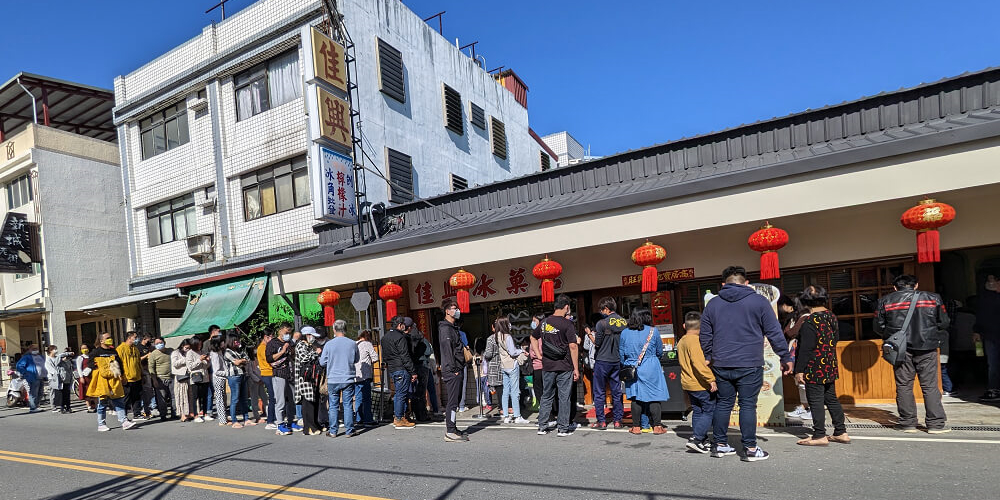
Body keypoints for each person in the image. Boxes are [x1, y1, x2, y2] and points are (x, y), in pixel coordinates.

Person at [701, 266, 793, 462]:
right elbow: (774, 331)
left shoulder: (713, 304)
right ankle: (750, 448)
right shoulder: (759, 301)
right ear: (747, 283)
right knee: (748, 405)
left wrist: (708, 355)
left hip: (721, 362)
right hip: (749, 363)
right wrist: (785, 356)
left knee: (723, 404)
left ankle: (720, 445)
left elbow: (705, 335)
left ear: (723, 284)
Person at [875, 274, 951, 433]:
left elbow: (878, 327)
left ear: (895, 287)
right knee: (930, 386)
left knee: (904, 385)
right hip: (927, 346)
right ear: (916, 285)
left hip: (899, 349)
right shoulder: (933, 298)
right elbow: (944, 322)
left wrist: (893, 336)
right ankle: (935, 424)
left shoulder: (885, 301)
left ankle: (907, 423)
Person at [793, 285, 850, 446]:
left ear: (805, 301)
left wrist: (799, 370)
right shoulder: (831, 316)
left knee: (816, 400)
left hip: (814, 366)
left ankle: (819, 435)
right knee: (831, 398)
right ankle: (841, 432)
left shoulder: (810, 320)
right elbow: (835, 338)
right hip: (830, 363)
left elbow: (806, 348)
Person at [531, 294, 580, 437]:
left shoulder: (545, 322)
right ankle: (563, 428)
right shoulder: (567, 324)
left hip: (547, 365)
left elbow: (533, 337)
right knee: (564, 397)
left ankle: (542, 426)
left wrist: (539, 355)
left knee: (547, 395)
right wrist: (576, 368)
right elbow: (573, 347)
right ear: (566, 307)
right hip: (564, 365)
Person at [619, 307, 669, 435]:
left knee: (635, 397)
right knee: (654, 397)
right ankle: (657, 426)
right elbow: (659, 351)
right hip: (651, 366)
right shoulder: (653, 331)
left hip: (632, 367)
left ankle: (636, 427)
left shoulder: (625, 333)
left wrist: (628, 363)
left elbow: (621, 353)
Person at [678, 311, 716, 452]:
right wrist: (711, 379)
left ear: (685, 326)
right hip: (699, 383)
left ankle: (702, 439)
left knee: (698, 411)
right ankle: (697, 438)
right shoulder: (694, 341)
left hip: (688, 383)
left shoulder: (682, 340)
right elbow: (699, 363)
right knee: (709, 410)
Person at [589, 297, 627, 429]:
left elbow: (597, 343)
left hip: (602, 361)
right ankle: (618, 420)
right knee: (617, 391)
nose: (601, 312)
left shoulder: (601, 323)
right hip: (617, 360)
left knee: (599, 392)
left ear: (606, 308)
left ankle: (601, 421)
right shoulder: (623, 322)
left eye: (602, 309)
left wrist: (589, 334)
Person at [87, 333, 135, 431]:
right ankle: (101, 424)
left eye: (110, 338)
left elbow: (120, 364)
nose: (110, 339)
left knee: (119, 401)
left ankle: (124, 421)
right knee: (102, 403)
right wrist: (99, 366)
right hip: (103, 381)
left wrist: (122, 376)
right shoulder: (96, 352)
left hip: (115, 380)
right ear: (101, 341)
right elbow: (91, 365)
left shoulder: (113, 351)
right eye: (107, 338)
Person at [320, 319, 360, 438]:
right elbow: (356, 359)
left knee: (333, 405)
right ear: (345, 329)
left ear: (334, 330)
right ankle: (349, 430)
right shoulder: (352, 343)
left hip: (333, 378)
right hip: (347, 378)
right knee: (347, 405)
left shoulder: (329, 344)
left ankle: (333, 431)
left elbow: (322, 362)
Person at [439, 299, 470, 442]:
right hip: (452, 370)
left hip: (457, 367)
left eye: (457, 308)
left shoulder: (452, 327)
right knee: (452, 402)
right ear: (447, 311)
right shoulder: (445, 328)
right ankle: (450, 431)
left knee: (455, 401)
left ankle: (453, 427)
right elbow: (447, 351)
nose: (456, 310)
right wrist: (454, 369)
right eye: (453, 308)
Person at [486, 317, 528, 423]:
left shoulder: (497, 336)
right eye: (508, 323)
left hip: (503, 366)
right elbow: (513, 352)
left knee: (505, 391)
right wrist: (521, 351)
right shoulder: (507, 336)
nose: (510, 324)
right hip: (512, 365)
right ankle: (517, 416)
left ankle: (506, 416)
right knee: (515, 391)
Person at [779, 295, 812, 420]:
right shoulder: (796, 318)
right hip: (794, 351)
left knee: (804, 381)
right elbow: (787, 331)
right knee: (799, 382)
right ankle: (804, 406)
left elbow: (791, 332)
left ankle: (812, 408)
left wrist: (790, 325)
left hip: (800, 352)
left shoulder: (804, 317)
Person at [382, 316, 417, 429]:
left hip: (392, 368)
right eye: (403, 324)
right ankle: (399, 418)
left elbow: (385, 356)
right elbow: (404, 355)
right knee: (401, 394)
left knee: (398, 393)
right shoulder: (400, 337)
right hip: (401, 368)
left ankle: (399, 416)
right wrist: (412, 371)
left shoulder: (385, 337)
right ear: (400, 325)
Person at [266, 323, 297, 435]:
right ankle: (280, 424)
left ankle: (290, 421)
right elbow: (269, 358)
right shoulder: (272, 343)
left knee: (292, 399)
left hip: (290, 374)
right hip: (279, 374)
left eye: (289, 333)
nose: (287, 335)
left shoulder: (288, 343)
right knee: (280, 401)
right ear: (280, 331)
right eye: (285, 333)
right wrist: (282, 351)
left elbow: (292, 356)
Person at [294, 326, 324, 435]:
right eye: (312, 336)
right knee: (308, 402)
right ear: (306, 335)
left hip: (312, 377)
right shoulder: (300, 345)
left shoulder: (310, 345)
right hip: (304, 378)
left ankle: (315, 424)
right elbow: (304, 358)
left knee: (314, 400)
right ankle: (308, 427)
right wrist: (316, 352)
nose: (313, 338)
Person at [975, 275, 1000, 402]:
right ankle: (994, 389)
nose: (990, 283)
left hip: (992, 334)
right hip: (991, 335)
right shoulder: (986, 298)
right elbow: (981, 316)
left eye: (993, 280)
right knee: (993, 363)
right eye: (988, 280)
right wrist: (977, 331)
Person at [224, 333, 253, 429]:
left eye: (238, 340)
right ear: (231, 341)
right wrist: (241, 361)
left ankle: (246, 419)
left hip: (243, 375)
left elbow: (247, 360)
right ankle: (234, 421)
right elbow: (237, 362)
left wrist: (242, 361)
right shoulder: (228, 352)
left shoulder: (240, 351)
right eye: (236, 340)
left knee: (244, 399)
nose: (238, 342)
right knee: (234, 399)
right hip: (234, 377)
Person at [405, 317, 431, 422]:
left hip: (411, 367)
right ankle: (422, 415)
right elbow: (428, 352)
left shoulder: (406, 339)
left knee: (411, 392)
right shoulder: (422, 339)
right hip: (423, 365)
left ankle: (412, 413)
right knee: (421, 392)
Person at [117, 331, 146, 420]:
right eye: (135, 337)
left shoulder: (135, 349)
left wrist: (142, 374)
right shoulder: (120, 349)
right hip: (126, 378)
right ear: (129, 338)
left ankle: (137, 413)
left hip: (137, 377)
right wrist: (121, 377)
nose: (137, 339)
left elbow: (138, 363)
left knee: (137, 396)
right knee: (126, 398)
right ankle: (124, 416)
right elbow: (117, 364)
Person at [354, 330, 379, 426]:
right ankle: (368, 419)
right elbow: (375, 357)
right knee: (367, 398)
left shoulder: (354, 344)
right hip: (364, 374)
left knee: (358, 397)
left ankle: (359, 418)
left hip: (355, 375)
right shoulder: (367, 344)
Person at [147, 337, 176, 421]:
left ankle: (174, 413)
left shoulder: (171, 351)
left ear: (164, 342)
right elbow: (151, 368)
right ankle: (163, 414)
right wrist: (154, 380)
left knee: (173, 397)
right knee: (161, 398)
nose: (159, 344)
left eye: (160, 342)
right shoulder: (153, 354)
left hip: (172, 377)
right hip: (160, 379)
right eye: (156, 343)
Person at [256, 328, 278, 429]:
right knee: (272, 398)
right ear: (266, 337)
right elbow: (269, 360)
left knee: (275, 397)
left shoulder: (265, 346)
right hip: (267, 374)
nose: (272, 339)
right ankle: (270, 421)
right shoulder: (262, 348)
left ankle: (274, 418)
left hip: (270, 373)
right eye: (271, 336)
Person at [187, 338, 211, 422]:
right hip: (196, 378)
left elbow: (207, 366)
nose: (200, 346)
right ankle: (196, 415)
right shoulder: (190, 353)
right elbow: (190, 366)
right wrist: (199, 360)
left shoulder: (201, 352)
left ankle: (205, 413)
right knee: (195, 397)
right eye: (199, 344)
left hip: (204, 376)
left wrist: (207, 361)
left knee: (204, 396)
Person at [16, 343, 45, 413]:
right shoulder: (26, 357)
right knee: (33, 393)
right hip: (33, 377)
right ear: (30, 350)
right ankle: (33, 407)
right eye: (34, 349)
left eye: (37, 349)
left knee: (40, 393)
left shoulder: (41, 356)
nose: (36, 350)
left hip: (41, 377)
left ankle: (36, 405)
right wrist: (26, 373)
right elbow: (19, 365)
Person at [171, 339, 196, 422]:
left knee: (189, 396)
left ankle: (190, 412)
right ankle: (182, 414)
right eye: (186, 347)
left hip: (189, 376)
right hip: (181, 376)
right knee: (181, 396)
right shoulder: (176, 353)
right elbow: (174, 363)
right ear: (182, 346)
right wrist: (185, 359)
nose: (188, 349)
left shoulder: (191, 352)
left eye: (189, 348)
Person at [209, 337, 231, 426]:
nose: (223, 344)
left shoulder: (219, 352)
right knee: (220, 399)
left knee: (223, 398)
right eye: (222, 342)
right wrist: (227, 373)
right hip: (218, 378)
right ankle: (222, 420)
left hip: (221, 378)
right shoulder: (214, 354)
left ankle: (224, 418)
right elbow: (216, 370)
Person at [44, 346, 71, 414]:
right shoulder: (49, 359)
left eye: (56, 349)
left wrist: (65, 359)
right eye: (54, 349)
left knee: (64, 392)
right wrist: (56, 373)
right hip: (53, 378)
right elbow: (52, 368)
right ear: (50, 351)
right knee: (53, 392)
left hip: (62, 377)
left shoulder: (57, 358)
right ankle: (53, 407)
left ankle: (65, 406)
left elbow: (64, 365)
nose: (56, 350)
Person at [76, 344, 97, 412]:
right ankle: (89, 407)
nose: (85, 349)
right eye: (83, 348)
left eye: (86, 348)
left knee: (94, 391)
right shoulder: (80, 358)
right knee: (86, 392)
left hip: (92, 376)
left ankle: (96, 405)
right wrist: (81, 377)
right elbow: (79, 368)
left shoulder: (91, 356)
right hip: (85, 377)